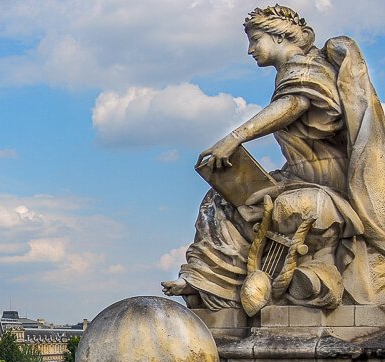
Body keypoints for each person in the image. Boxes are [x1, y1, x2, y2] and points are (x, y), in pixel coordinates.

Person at [162, 5, 385, 312]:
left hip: (325, 184)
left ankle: (290, 281)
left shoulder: (309, 68)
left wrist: (234, 138)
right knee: (219, 200)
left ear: (280, 37)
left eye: (256, 39)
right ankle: (206, 281)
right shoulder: (291, 75)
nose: (251, 49)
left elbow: (293, 105)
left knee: (264, 207)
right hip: (295, 177)